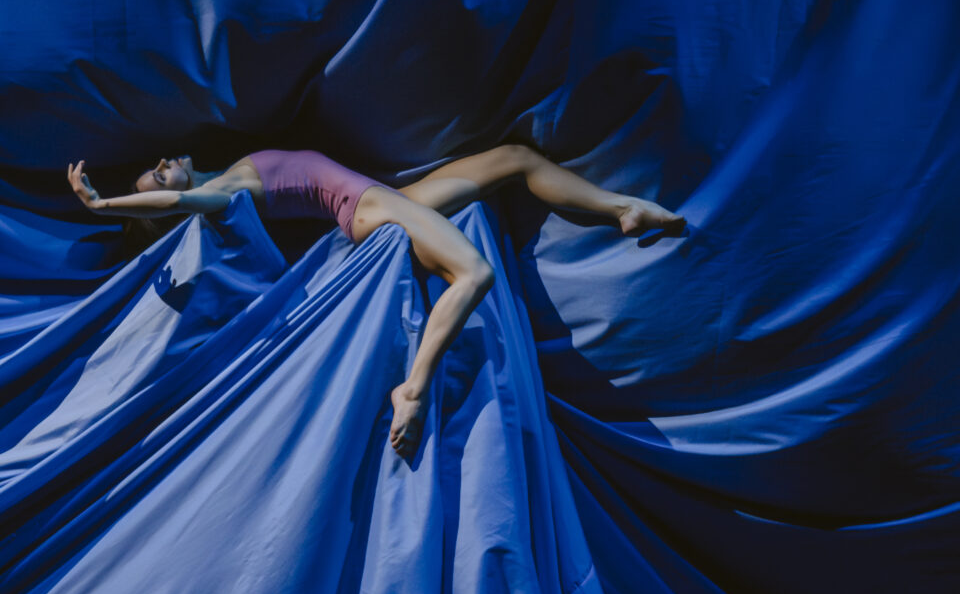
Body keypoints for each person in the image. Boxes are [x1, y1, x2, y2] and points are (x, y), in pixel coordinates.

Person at [67, 146, 682, 456]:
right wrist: (104, 205)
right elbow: (176, 204)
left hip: (386, 194)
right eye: (159, 175)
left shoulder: (232, 164)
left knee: (512, 159)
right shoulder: (224, 191)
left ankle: (619, 207)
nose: (164, 167)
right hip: (368, 210)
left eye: (158, 167)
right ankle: (412, 390)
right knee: (474, 274)